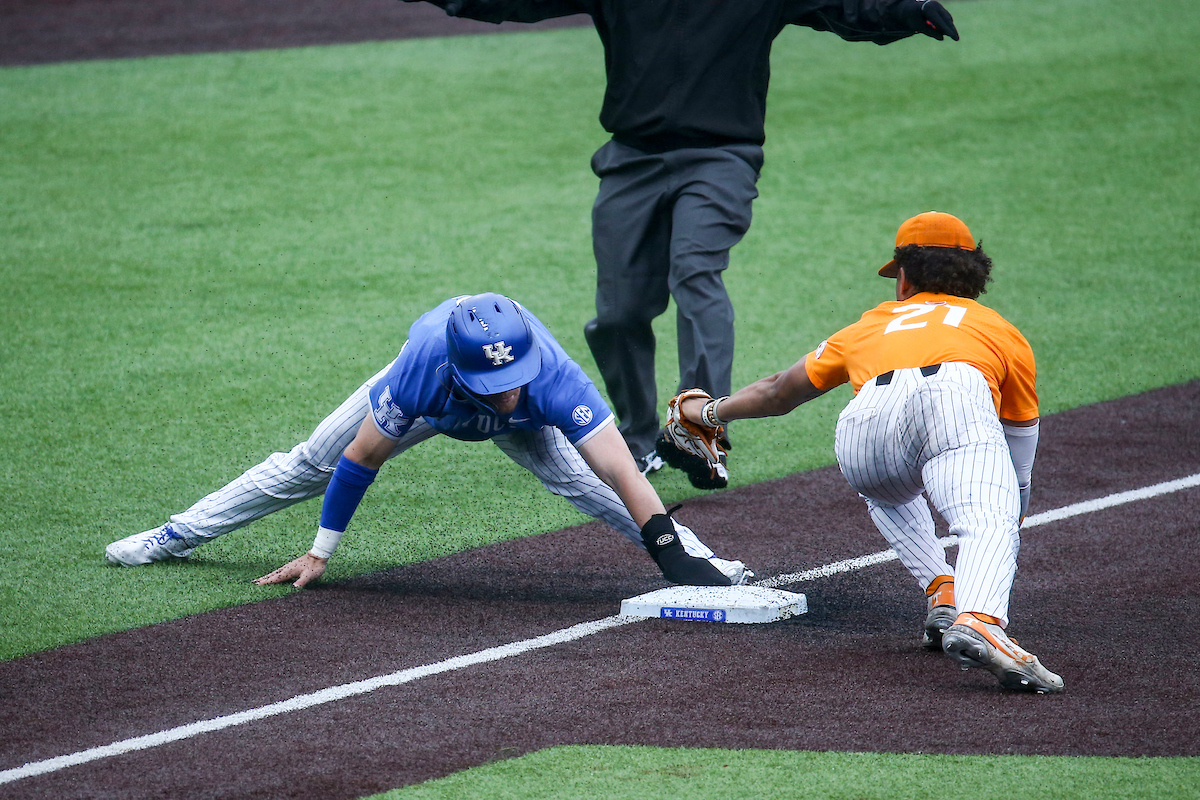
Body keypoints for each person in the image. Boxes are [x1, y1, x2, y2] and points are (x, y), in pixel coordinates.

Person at [398, 0, 959, 475]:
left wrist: (911, 10)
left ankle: (698, 424)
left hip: (722, 156)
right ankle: (640, 438)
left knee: (695, 271)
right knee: (618, 313)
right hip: (630, 160)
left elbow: (846, 7)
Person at [106, 293, 751, 589]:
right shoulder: (422, 367)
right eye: (492, 383)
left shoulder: (552, 377)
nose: (506, 394)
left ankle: (704, 561)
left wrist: (669, 552)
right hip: (433, 408)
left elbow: (619, 468)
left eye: (513, 381)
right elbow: (360, 461)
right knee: (309, 463)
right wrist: (321, 552)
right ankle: (177, 535)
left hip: (529, 429)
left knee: (580, 479)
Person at [671, 212, 1063, 693]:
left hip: (864, 422)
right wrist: (1013, 504)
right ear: (973, 277)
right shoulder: (997, 328)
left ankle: (945, 589)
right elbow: (1019, 437)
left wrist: (710, 413)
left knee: (889, 493)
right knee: (986, 520)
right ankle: (980, 619)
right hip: (954, 397)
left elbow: (778, 392)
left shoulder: (870, 324)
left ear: (904, 276)